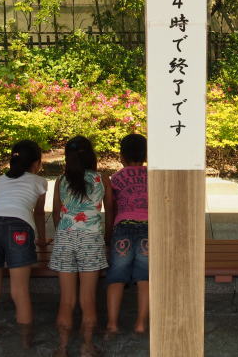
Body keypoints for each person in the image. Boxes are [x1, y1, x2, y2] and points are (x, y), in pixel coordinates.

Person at [0, 139, 49, 348]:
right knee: (20, 292)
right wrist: (41, 240)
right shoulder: (39, 181)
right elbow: (39, 214)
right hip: (19, 227)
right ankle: (26, 344)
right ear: (36, 164)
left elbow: (2, 207)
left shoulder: (1, 180)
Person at [49, 136, 108, 357]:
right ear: (91, 156)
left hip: (65, 238)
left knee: (66, 300)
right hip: (91, 240)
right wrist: (108, 237)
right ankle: (87, 348)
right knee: (88, 299)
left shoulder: (61, 180)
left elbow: (56, 213)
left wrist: (63, 234)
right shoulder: (103, 179)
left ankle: (62, 348)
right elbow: (109, 209)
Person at [104, 133, 149, 335]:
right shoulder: (153, 175)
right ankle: (140, 323)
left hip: (123, 227)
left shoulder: (117, 177)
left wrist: (108, 233)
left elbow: (111, 207)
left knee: (117, 276)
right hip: (148, 228)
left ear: (121, 156)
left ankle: (112, 323)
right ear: (146, 154)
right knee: (145, 277)